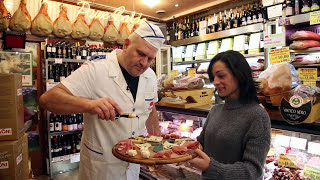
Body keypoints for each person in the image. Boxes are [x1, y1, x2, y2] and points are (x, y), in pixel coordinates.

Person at [39, 21, 165, 180]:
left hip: (133, 165)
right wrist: (89, 105)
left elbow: (150, 109)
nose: (144, 63)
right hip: (101, 166)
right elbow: (47, 100)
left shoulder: (150, 76)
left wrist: (158, 144)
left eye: (150, 59)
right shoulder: (96, 69)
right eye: (140, 54)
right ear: (126, 44)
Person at [189, 50, 271, 180]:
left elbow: (254, 170)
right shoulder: (215, 110)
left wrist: (211, 167)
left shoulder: (257, 116)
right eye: (213, 77)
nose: (215, 82)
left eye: (221, 76)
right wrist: (183, 147)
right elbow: (202, 143)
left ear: (239, 75)